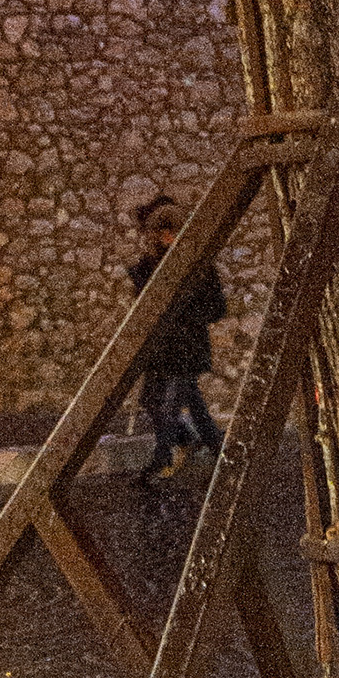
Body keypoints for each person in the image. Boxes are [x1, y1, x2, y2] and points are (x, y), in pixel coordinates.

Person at [126, 194, 226, 481]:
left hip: (187, 349)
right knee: (159, 401)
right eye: (163, 231)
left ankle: (162, 461)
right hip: (161, 350)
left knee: (169, 405)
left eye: (174, 230)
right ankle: (214, 445)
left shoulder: (199, 267)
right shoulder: (148, 267)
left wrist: (186, 311)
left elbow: (217, 307)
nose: (168, 236)